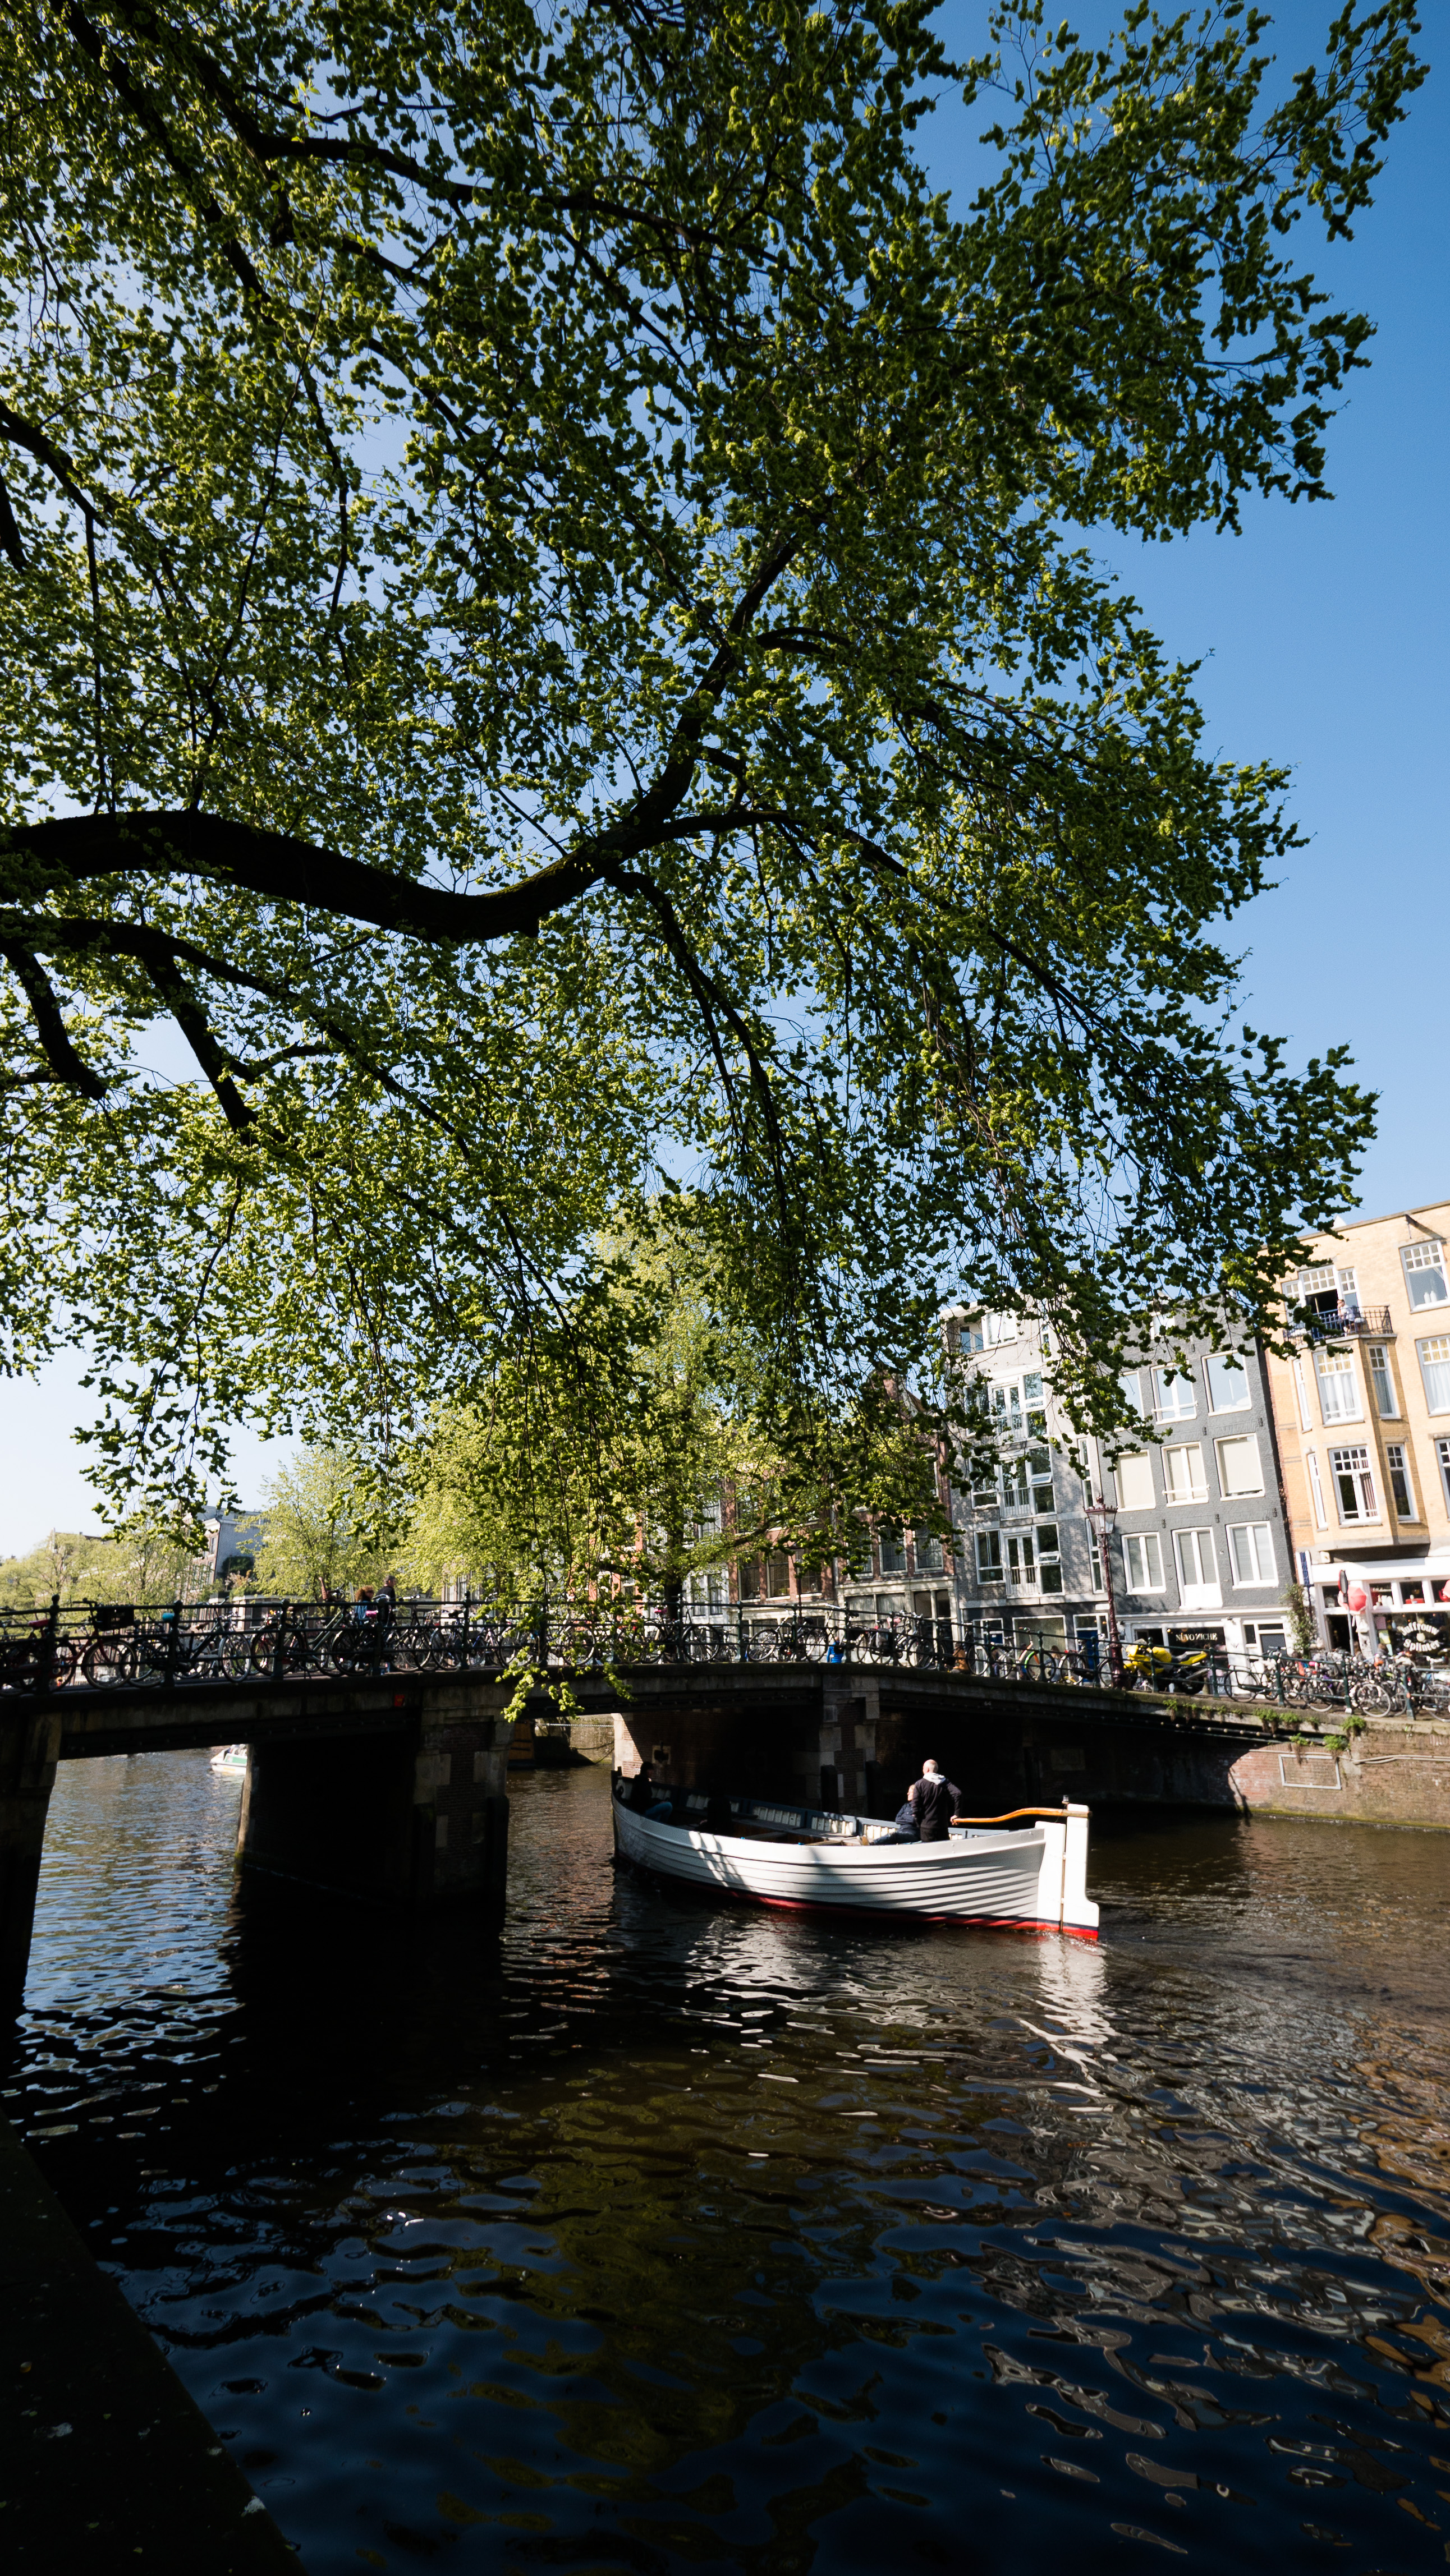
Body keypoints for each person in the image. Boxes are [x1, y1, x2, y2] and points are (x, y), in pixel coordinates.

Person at [907, 1756, 961, 1843]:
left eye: (923, 1768)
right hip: (942, 1826)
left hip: (926, 1827)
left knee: (928, 1851)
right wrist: (957, 1814)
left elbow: (915, 1807)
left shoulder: (920, 1784)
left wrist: (919, 1824)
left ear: (927, 1769)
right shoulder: (945, 1782)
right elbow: (958, 1794)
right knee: (944, 1851)